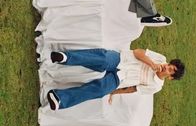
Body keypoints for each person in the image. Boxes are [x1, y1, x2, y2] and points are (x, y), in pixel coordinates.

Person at [47, 48, 185, 110]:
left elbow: (133, 89)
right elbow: (138, 52)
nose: (167, 67)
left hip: (121, 79)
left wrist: (113, 92)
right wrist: (152, 64)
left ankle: (60, 99)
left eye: (171, 70)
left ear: (171, 78)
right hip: (121, 59)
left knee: (101, 89)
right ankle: (65, 57)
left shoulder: (156, 86)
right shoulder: (160, 59)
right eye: (170, 65)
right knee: (104, 59)